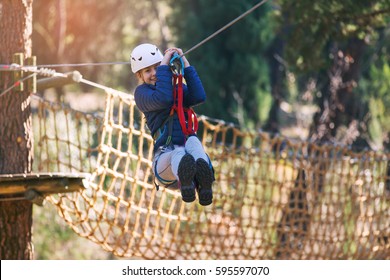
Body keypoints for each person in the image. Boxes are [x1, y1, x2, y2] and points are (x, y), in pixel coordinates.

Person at [130, 43, 214, 206]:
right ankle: (187, 181)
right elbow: (163, 98)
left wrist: (186, 64)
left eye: (157, 68)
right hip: (166, 157)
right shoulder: (142, 94)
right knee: (179, 153)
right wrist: (163, 66)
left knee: (194, 142)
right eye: (148, 71)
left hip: (189, 149)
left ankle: (204, 183)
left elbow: (198, 96)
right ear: (139, 75)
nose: (154, 73)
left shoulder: (176, 88)